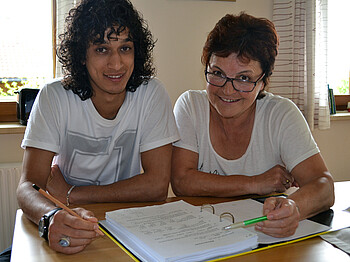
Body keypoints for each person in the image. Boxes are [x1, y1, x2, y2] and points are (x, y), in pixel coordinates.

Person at [17, 0, 179, 254]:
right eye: (102, 49)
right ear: (82, 55)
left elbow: (157, 186)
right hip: (67, 219)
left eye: (125, 48)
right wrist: (52, 217)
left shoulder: (152, 93)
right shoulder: (54, 96)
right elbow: (28, 187)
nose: (116, 64)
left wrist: (71, 194)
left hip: (127, 226)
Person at [171, 12, 334, 238]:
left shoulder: (281, 114)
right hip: (201, 237)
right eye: (217, 73)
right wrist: (256, 183)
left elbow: (323, 185)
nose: (228, 90)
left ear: (264, 82)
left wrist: (294, 208)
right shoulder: (190, 105)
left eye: (244, 78)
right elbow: (181, 181)